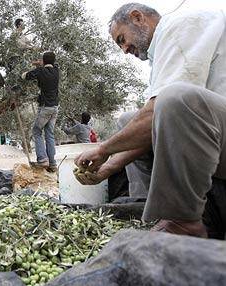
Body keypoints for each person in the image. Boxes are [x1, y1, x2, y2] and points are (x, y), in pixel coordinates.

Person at [74, 3, 226, 238]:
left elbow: (163, 110)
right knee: (129, 120)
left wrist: (104, 149)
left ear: (137, 18)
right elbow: (152, 126)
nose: (124, 49)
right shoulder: (160, 56)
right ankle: (150, 206)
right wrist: (110, 166)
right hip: (215, 138)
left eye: (122, 39)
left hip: (218, 138)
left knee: (174, 100)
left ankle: (182, 220)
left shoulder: (181, 25)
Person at [22, 51, 59, 171]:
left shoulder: (40, 71)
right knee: (49, 134)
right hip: (55, 107)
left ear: (43, 61)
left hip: (45, 107)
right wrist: (40, 63)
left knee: (36, 131)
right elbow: (49, 65)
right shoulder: (56, 70)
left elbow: (25, 76)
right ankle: (52, 163)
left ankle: (42, 159)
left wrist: (36, 67)